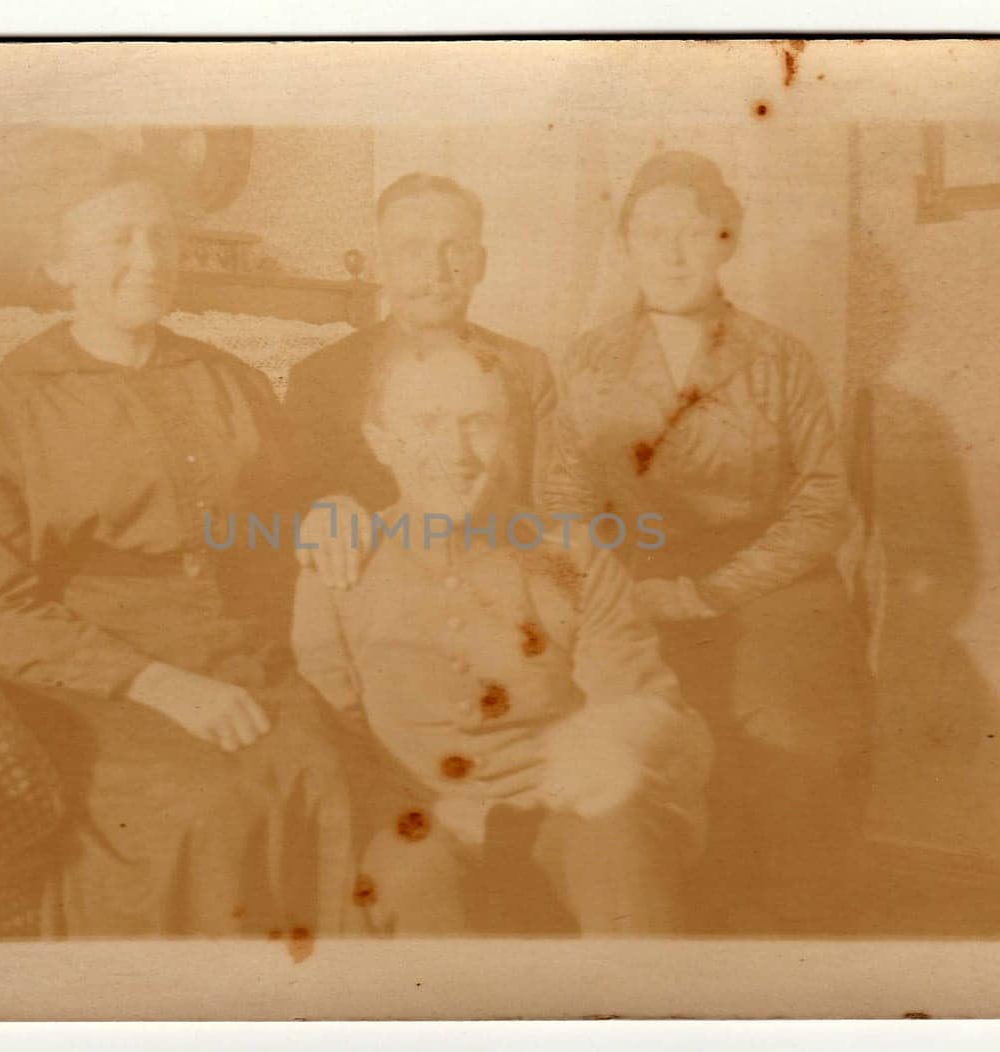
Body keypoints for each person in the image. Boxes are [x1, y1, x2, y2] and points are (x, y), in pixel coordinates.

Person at [0, 137, 352, 937]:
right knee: (208, 806)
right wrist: (156, 683)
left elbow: (294, 494)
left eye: (162, 236)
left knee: (322, 775)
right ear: (60, 265)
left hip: (240, 650)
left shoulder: (226, 377)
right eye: (119, 239)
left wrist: (332, 502)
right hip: (96, 679)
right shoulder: (9, 400)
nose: (149, 259)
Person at [549, 151, 872, 931]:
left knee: (792, 740)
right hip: (629, 581)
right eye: (651, 233)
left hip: (770, 584)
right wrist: (610, 590)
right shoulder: (587, 361)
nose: (671, 252)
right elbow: (566, 499)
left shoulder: (778, 357)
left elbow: (823, 503)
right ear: (625, 242)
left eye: (693, 233)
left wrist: (709, 591)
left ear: (728, 241)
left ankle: (791, 958)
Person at [290, 341, 712, 935]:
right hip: (417, 815)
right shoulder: (340, 566)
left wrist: (615, 739)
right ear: (380, 442)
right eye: (426, 424)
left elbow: (638, 697)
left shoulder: (569, 556)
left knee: (620, 844)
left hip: (564, 807)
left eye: (478, 424)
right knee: (406, 883)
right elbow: (329, 733)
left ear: (512, 435)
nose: (455, 452)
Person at [284, 172, 589, 589]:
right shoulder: (322, 377)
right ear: (383, 263)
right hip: (374, 598)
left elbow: (556, 509)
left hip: (499, 591)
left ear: (481, 263)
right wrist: (329, 501)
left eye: (455, 249)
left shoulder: (526, 369)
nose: (437, 270)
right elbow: (294, 506)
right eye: (413, 250)